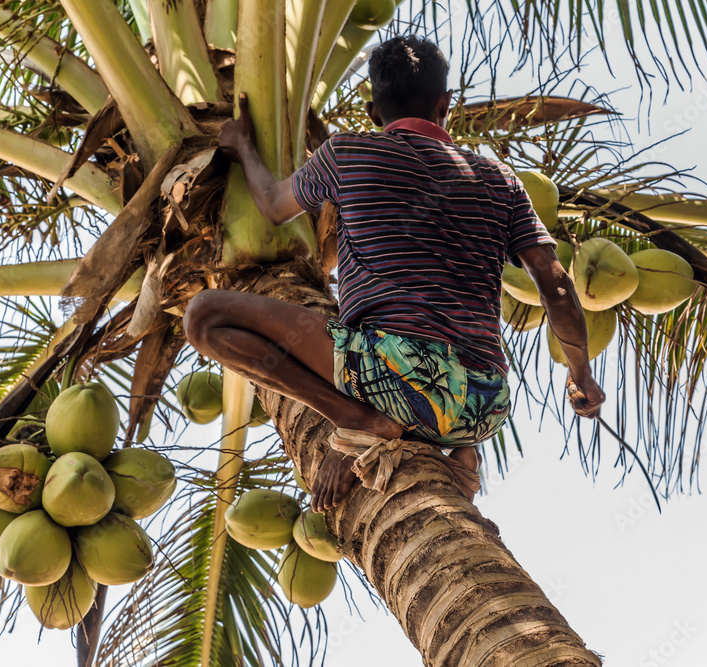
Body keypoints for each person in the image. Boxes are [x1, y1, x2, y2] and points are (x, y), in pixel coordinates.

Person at [183, 35, 605, 513]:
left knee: (204, 316)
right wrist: (581, 375)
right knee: (451, 347)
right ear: (445, 104)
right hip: (486, 404)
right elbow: (556, 286)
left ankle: (356, 419)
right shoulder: (500, 181)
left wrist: (242, 147)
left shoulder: (346, 154)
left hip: (391, 374)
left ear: (372, 112)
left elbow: (274, 206)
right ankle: (461, 448)